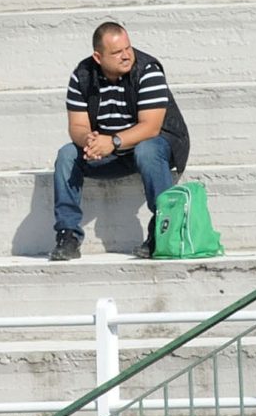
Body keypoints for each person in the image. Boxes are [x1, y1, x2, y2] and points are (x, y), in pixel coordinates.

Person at [50, 22, 191, 263]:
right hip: (111, 150)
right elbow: (77, 126)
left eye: (128, 48)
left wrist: (113, 142)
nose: (126, 55)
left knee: (147, 149)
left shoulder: (148, 70)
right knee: (67, 154)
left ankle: (162, 229)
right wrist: (90, 140)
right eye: (117, 52)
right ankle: (68, 234)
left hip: (156, 146)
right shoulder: (82, 75)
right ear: (98, 57)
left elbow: (151, 127)